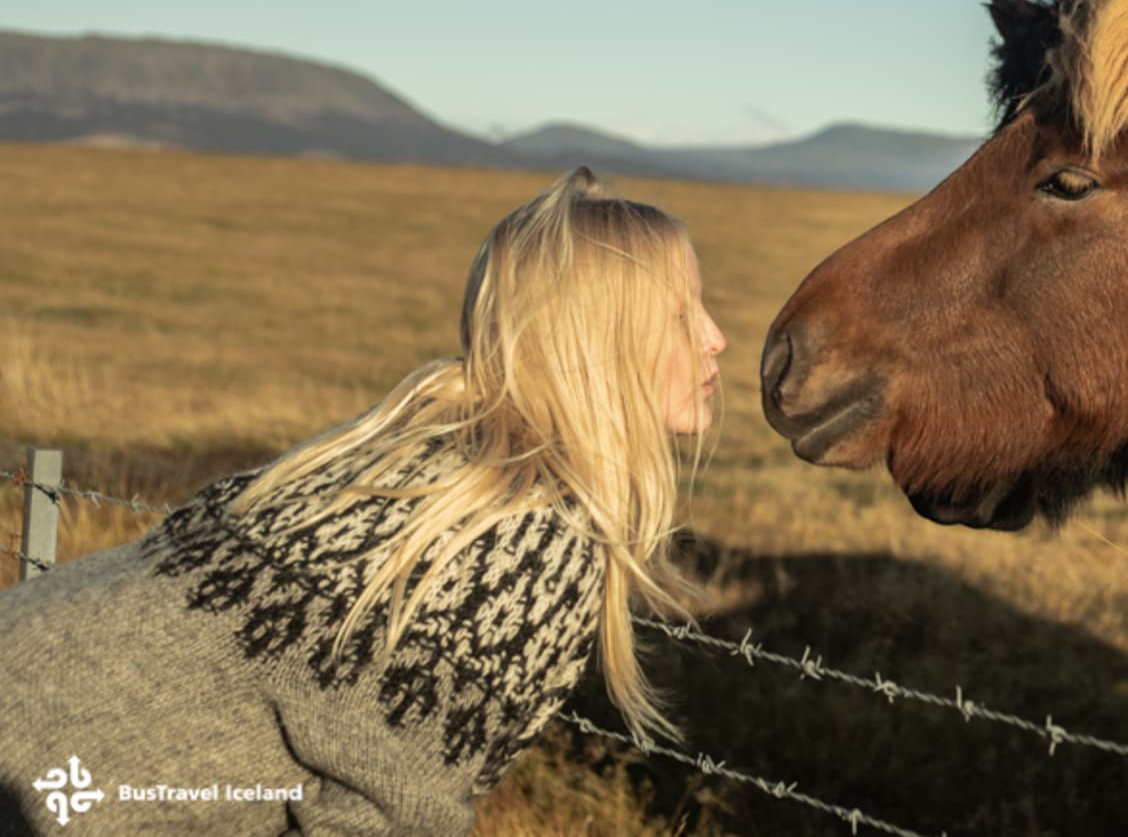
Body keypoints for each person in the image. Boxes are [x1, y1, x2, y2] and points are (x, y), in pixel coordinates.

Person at [0, 167, 726, 835]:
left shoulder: (420, 447)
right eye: (680, 314)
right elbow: (378, 822)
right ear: (597, 342)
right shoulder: (530, 539)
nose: (716, 338)